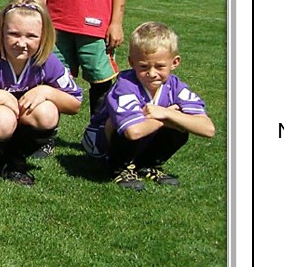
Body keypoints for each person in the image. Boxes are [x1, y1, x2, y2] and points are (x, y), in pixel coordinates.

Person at [0, 0, 82, 187]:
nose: (22, 43)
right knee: (2, 118)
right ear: (1, 30)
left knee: (47, 112)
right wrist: (0, 96)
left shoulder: (45, 59)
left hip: (17, 119)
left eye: (31, 36)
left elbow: (75, 103)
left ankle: (13, 161)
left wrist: (47, 92)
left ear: (44, 36)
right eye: (14, 34)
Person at [83, 21, 215, 191]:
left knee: (181, 124)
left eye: (160, 66)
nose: (152, 73)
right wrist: (166, 118)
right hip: (101, 143)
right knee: (122, 122)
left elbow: (208, 129)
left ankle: (146, 164)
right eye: (144, 66)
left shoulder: (175, 86)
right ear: (132, 62)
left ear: (175, 62)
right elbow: (133, 131)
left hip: (145, 133)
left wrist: (167, 114)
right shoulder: (126, 85)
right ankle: (118, 167)